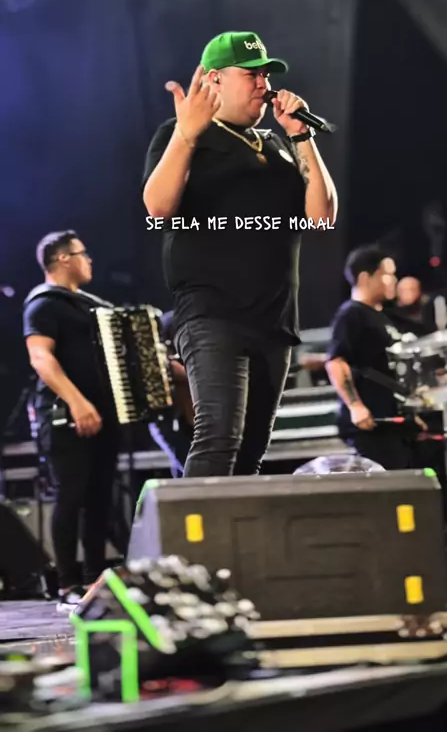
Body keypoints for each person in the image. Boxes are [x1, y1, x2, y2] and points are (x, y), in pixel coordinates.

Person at [143, 31, 337, 477]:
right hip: (214, 313)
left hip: (274, 318)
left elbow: (322, 217)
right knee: (218, 437)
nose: (263, 84)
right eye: (251, 75)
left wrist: (301, 136)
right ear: (214, 79)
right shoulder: (181, 134)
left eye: (266, 74)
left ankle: (233, 527)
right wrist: (187, 135)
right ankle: (189, 527)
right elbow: (157, 207)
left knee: (250, 452)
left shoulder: (276, 144)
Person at [22, 231, 121, 611]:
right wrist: (77, 402)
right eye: (83, 253)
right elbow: (41, 358)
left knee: (100, 497)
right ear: (64, 258)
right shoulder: (44, 304)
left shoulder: (92, 306)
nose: (89, 260)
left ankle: (94, 579)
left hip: (103, 413)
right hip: (66, 415)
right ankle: (67, 585)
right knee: (71, 494)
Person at [325, 244, 418, 470]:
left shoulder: (381, 317)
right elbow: (336, 361)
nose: (393, 280)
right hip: (373, 426)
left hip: (393, 423)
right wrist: (355, 406)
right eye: (387, 274)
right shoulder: (351, 314)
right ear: (365, 278)